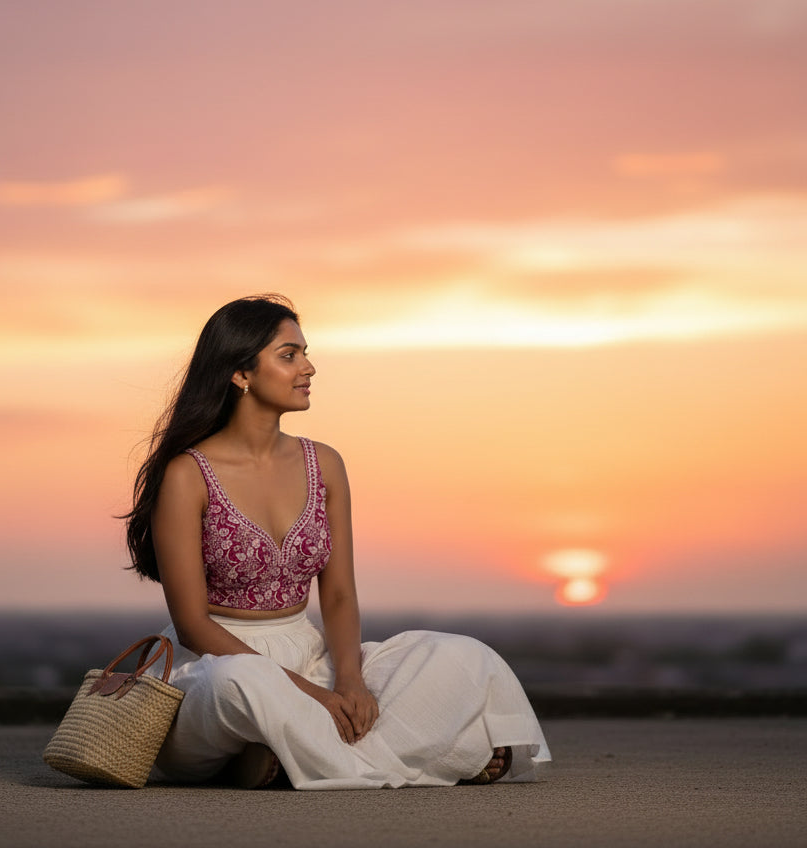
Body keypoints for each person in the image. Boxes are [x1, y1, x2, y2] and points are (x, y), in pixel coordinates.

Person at [125, 294, 550, 790]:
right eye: (289, 355)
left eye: (305, 352)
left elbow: (340, 594)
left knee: (458, 656)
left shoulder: (323, 464)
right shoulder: (187, 474)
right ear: (240, 374)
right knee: (237, 686)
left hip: (309, 656)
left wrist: (348, 681)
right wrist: (312, 696)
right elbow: (193, 626)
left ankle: (280, 757)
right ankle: (437, 756)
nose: (309, 367)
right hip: (218, 666)